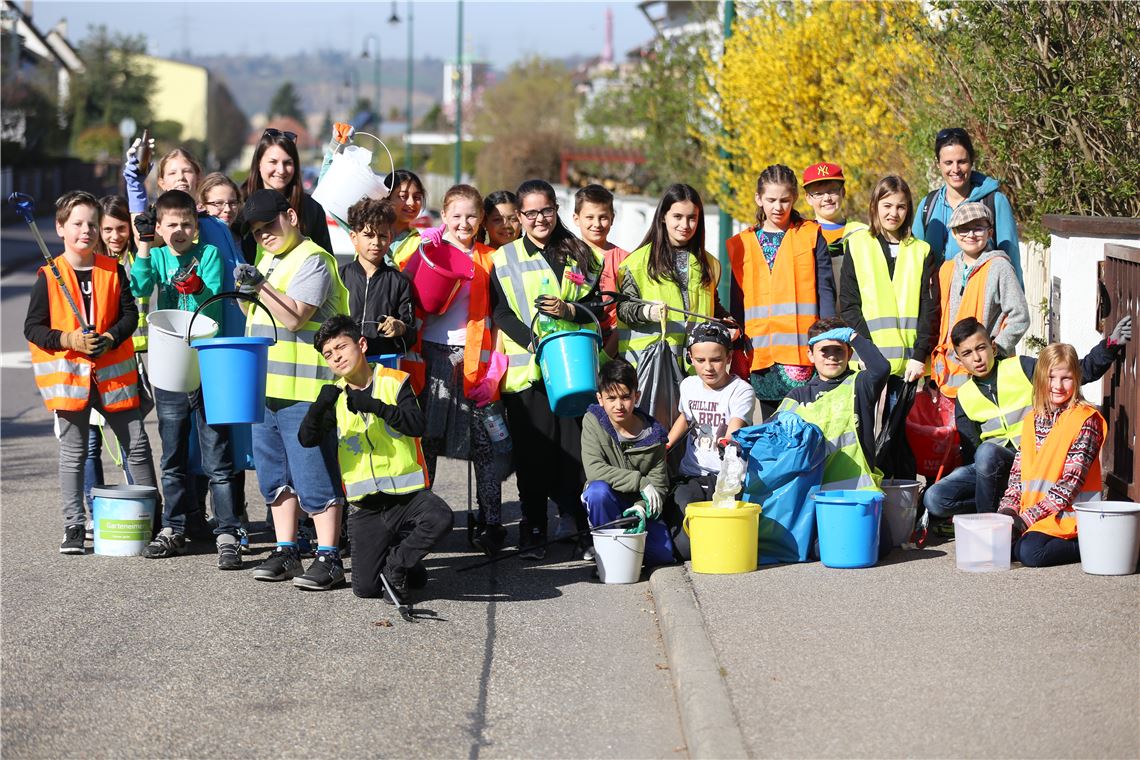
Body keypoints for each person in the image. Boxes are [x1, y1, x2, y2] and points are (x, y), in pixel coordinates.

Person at [23, 191, 158, 554]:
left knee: (138, 447)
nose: (87, 231)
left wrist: (111, 337)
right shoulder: (50, 276)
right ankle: (74, 525)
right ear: (60, 228)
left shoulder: (112, 269)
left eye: (92, 224)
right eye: (78, 224)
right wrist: (68, 338)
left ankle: (153, 517)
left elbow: (130, 316)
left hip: (113, 375)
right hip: (70, 379)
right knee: (74, 452)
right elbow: (33, 328)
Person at [233, 189, 350, 589]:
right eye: (257, 230)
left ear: (292, 217)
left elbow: (296, 317)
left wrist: (260, 284)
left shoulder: (314, 259)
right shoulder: (267, 258)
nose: (264, 234)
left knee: (314, 474)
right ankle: (287, 551)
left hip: (307, 390)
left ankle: (329, 556)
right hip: (266, 388)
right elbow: (253, 314)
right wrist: (247, 290)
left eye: (271, 224)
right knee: (274, 475)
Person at [300, 316, 453, 600]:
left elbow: (416, 425)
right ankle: (409, 564)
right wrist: (318, 408)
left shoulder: (394, 381)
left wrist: (375, 406)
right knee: (366, 589)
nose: (336, 357)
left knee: (441, 517)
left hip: (406, 498)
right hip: (366, 506)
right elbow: (307, 439)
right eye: (329, 354)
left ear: (361, 344)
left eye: (341, 347)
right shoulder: (335, 395)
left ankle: (398, 563)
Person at [128, 189, 242, 567]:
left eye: (187, 224)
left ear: (198, 226)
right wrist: (144, 248)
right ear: (159, 227)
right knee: (173, 452)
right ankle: (174, 527)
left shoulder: (207, 253)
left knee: (218, 453)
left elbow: (211, 294)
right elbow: (140, 288)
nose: (180, 230)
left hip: (207, 363)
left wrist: (195, 287)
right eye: (171, 224)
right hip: (171, 364)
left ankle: (227, 530)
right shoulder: (158, 255)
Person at [922, 315, 1129, 522]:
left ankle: (988, 524)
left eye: (981, 348)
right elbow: (971, 452)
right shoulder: (964, 396)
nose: (976, 358)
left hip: (1029, 462)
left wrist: (1110, 345)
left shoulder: (1020, 367)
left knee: (985, 453)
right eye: (967, 353)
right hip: (993, 471)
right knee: (934, 499)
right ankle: (999, 505)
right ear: (959, 360)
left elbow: (1072, 373)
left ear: (993, 347)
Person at [490, 178, 601, 559]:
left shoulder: (580, 254)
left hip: (573, 369)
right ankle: (533, 527)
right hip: (527, 374)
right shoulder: (502, 259)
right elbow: (500, 311)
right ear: (519, 216)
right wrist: (532, 341)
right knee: (532, 456)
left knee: (574, 453)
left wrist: (570, 311)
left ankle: (577, 524)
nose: (540, 218)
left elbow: (598, 309)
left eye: (547, 210)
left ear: (557, 209)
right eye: (532, 212)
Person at [412, 185, 505, 555]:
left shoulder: (492, 258)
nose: (464, 222)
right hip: (432, 354)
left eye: (471, 215)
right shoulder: (427, 250)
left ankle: (491, 522)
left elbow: (499, 316)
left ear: (481, 218)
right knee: (428, 442)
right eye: (456, 215)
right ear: (444, 216)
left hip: (474, 360)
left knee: (485, 446)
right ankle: (421, 520)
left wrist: (495, 368)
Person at [840, 175, 942, 477]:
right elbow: (849, 305)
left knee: (899, 444)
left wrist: (919, 354)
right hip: (869, 367)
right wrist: (870, 352)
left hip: (907, 370)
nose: (893, 213)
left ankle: (904, 512)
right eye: (887, 205)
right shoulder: (857, 246)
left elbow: (929, 309)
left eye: (900, 207)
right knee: (869, 443)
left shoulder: (921, 251)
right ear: (875, 206)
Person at [728, 164, 835, 419]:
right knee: (768, 424)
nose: (778, 207)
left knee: (803, 424)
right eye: (771, 200)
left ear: (795, 198)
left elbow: (825, 289)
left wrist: (828, 338)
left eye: (785, 200)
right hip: (760, 356)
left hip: (802, 356)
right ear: (758, 199)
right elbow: (737, 301)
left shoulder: (810, 234)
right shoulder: (742, 243)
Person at [997, 344, 1106, 567]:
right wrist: (1007, 512)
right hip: (1038, 517)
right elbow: (1017, 475)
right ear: (1040, 379)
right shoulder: (1031, 419)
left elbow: (1069, 485)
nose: (1057, 386)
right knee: (998, 547)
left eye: (1066, 378)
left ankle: (1096, 543)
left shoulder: (1086, 419)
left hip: (1069, 518)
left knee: (1029, 552)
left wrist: (1022, 522)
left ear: (1077, 379)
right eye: (1051, 377)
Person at [616, 183, 726, 374]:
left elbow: (712, 307)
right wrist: (647, 312)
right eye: (678, 217)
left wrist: (728, 323)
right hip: (649, 366)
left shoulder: (710, 263)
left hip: (696, 368)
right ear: (663, 217)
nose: (685, 225)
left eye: (692, 218)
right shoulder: (636, 262)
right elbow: (623, 309)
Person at [666, 322, 754, 560]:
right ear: (690, 358)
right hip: (691, 473)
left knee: (721, 539)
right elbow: (685, 417)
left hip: (725, 478)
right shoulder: (689, 385)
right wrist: (666, 445)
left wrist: (728, 442)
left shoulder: (741, 390)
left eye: (715, 360)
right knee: (683, 549)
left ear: (728, 357)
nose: (708, 368)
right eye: (700, 360)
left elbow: (737, 424)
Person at [777, 318, 891, 491]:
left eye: (838, 350)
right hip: (812, 493)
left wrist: (854, 337)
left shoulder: (859, 384)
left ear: (850, 353)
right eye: (824, 351)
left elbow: (881, 368)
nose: (831, 356)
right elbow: (771, 430)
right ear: (810, 354)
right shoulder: (799, 395)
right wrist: (780, 419)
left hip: (856, 493)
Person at [929, 201, 1029, 398]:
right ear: (954, 234)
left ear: (989, 232)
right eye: (964, 229)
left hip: (989, 374)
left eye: (978, 228)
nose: (971, 234)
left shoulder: (999, 267)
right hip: (950, 374)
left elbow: (1020, 316)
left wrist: (994, 350)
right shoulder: (947, 269)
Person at [581, 359, 673, 566]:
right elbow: (594, 469)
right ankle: (605, 552)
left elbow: (659, 485)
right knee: (596, 492)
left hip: (639, 506)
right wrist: (640, 481)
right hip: (609, 500)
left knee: (663, 557)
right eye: (611, 398)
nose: (618, 405)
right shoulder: (592, 421)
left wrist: (641, 507)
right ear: (600, 399)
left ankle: (628, 550)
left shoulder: (655, 434)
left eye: (625, 397)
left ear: (636, 396)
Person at [912, 127, 1022, 284]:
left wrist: (1014, 305)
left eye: (962, 162)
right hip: (936, 305)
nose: (955, 169)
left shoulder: (994, 202)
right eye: (948, 163)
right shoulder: (928, 205)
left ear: (972, 162)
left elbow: (1012, 264)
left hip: (981, 304)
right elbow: (914, 262)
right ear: (938, 165)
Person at [338, 197, 415, 358]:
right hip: (344, 364)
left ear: (390, 238)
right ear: (354, 237)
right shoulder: (339, 276)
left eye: (382, 236)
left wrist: (400, 328)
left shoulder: (399, 282)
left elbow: (411, 335)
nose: (376, 242)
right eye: (368, 235)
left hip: (383, 367)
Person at [239, 128, 332, 262]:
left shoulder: (311, 207)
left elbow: (325, 259)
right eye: (273, 162)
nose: (281, 170)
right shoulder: (240, 205)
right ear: (259, 163)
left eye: (287, 163)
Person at [574, 184, 630, 356]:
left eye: (603, 217)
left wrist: (606, 356)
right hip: (576, 342)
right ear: (576, 219)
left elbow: (625, 317)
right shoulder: (566, 257)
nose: (596, 224)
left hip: (615, 347)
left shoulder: (626, 260)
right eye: (589, 217)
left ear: (613, 218)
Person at [801, 161, 867, 307]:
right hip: (817, 323)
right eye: (818, 194)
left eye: (832, 191)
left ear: (843, 192)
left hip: (857, 321)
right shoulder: (802, 236)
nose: (827, 198)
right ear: (808, 198)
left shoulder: (862, 233)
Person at [386, 169, 427, 268]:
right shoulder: (367, 234)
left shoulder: (420, 244)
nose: (411, 203)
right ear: (386, 198)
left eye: (417, 197)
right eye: (403, 196)